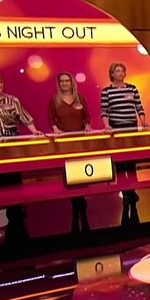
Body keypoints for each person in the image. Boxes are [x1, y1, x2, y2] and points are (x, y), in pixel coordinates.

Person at [49, 72, 91, 232]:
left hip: (79, 140)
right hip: (65, 141)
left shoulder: (80, 98)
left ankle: (82, 199)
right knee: (69, 171)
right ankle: (74, 201)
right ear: (59, 84)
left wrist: (88, 126)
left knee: (81, 169)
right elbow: (51, 118)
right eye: (62, 81)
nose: (65, 83)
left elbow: (87, 116)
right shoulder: (55, 100)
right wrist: (55, 129)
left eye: (67, 80)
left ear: (72, 82)